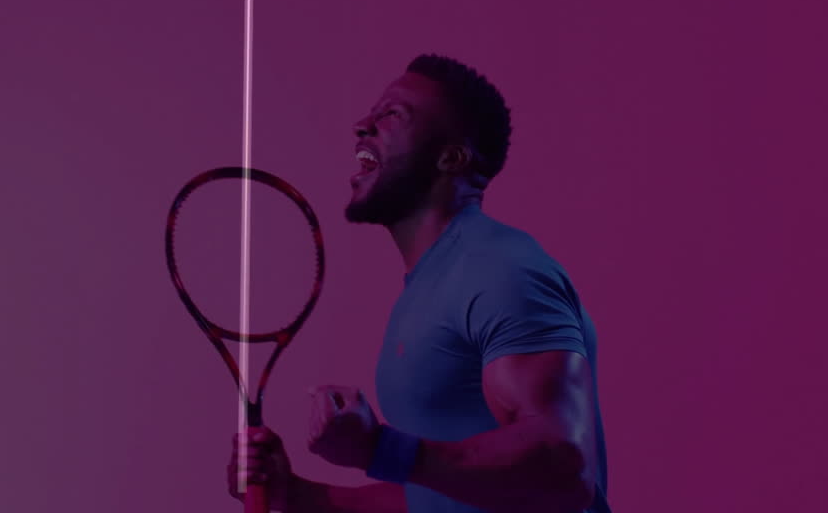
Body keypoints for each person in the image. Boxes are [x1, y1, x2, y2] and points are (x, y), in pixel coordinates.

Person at [227, 54, 610, 513]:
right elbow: (441, 500)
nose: (362, 125)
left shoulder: (500, 269)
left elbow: (565, 472)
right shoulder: (431, 284)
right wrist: (302, 496)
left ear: (450, 156)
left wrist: (381, 450)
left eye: (391, 114)